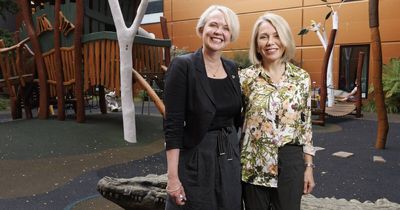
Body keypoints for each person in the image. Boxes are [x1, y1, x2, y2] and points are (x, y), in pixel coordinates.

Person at [163, 5, 242, 210]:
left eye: (225, 28)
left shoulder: (232, 69)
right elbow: (173, 125)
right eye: (213, 25)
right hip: (197, 157)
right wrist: (172, 178)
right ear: (202, 29)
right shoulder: (183, 66)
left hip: (230, 158)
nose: (219, 32)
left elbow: (236, 118)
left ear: (230, 35)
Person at [239, 12, 315, 210]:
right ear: (256, 44)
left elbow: (306, 127)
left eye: (276, 35)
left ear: (285, 39)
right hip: (253, 161)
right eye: (263, 37)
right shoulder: (245, 78)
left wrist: (308, 167)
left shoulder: (301, 78)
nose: (270, 42)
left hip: (290, 162)